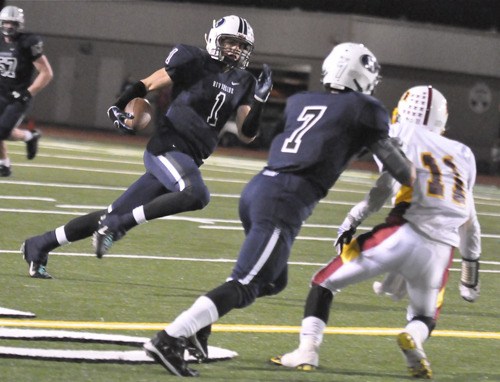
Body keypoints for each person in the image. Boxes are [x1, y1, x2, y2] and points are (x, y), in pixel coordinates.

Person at [142, 42, 416, 377]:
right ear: (364, 77)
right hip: (285, 200)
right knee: (246, 283)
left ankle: (202, 321)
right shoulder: (365, 108)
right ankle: (170, 337)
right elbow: (402, 172)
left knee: (272, 280)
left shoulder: (301, 101)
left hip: (260, 189)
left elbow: (284, 136)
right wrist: (410, 157)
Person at [21, 15, 273, 278]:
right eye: (230, 42)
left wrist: (259, 101)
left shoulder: (245, 81)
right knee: (197, 194)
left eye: (241, 45)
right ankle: (118, 227)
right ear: (214, 39)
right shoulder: (193, 60)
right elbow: (149, 83)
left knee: (112, 214)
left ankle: (40, 244)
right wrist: (118, 105)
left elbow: (247, 135)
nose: (235, 49)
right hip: (168, 147)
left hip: (189, 158)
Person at [271, 85, 481, 379]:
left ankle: (307, 351)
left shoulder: (401, 132)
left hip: (401, 232)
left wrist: (351, 220)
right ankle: (414, 343)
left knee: (323, 283)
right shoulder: (464, 154)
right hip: (441, 251)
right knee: (424, 315)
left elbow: (383, 188)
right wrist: (470, 275)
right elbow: (470, 222)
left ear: (404, 110)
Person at [0, 5, 53, 177]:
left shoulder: (27, 42)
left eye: (12, 23)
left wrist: (28, 93)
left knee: (2, 131)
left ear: (19, 24)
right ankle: (4, 165)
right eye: (6, 23)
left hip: (18, 96)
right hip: (1, 93)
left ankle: (28, 136)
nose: (8, 27)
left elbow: (46, 72)